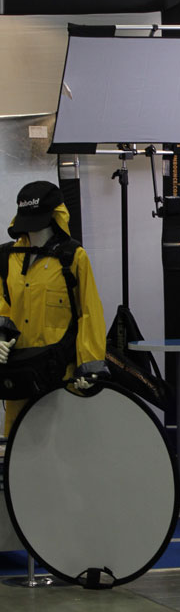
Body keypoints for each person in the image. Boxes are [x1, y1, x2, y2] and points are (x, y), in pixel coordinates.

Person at [0, 181, 107, 434]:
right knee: (19, 445)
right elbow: (3, 307)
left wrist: (89, 367)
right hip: (19, 376)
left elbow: (89, 313)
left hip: (60, 377)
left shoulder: (73, 257)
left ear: (55, 215)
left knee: (61, 446)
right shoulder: (6, 258)